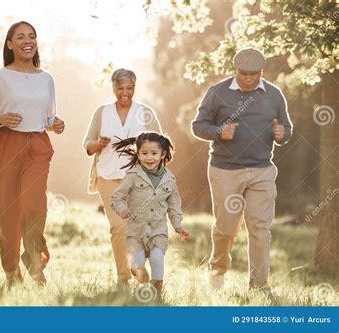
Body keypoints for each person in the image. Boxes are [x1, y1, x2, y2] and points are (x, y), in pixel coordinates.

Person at [191, 47, 293, 291]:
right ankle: (218, 271)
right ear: (235, 70)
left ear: (261, 72)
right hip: (225, 170)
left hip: (262, 171)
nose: (249, 78)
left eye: (255, 74)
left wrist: (282, 134)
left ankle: (259, 285)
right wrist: (218, 132)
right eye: (244, 73)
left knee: (259, 227)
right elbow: (197, 126)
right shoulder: (217, 93)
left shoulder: (274, 95)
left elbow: (286, 128)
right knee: (226, 227)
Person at [0, 21, 65, 286]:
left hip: (38, 145)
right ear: (10, 44)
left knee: (35, 204)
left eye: (32, 36)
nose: (28, 41)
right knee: (8, 209)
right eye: (21, 37)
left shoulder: (47, 78)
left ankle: (35, 262)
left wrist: (57, 124)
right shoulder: (0, 77)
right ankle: (11, 271)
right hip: (8, 144)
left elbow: (50, 117)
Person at [82, 68, 162, 286]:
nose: (125, 93)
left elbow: (160, 146)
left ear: (134, 87)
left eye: (129, 88)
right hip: (108, 177)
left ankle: (138, 264)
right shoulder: (102, 112)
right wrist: (97, 144)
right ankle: (123, 278)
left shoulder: (145, 112)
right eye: (120, 88)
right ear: (113, 87)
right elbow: (87, 143)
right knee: (118, 227)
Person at [110, 131, 189, 296]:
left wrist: (178, 226)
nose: (149, 158)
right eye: (144, 153)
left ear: (163, 154)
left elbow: (174, 204)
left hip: (158, 229)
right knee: (138, 265)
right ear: (138, 154)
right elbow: (117, 197)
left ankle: (157, 292)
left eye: (154, 153)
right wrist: (122, 210)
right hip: (136, 231)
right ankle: (142, 281)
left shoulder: (170, 179)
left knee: (157, 258)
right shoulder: (132, 175)